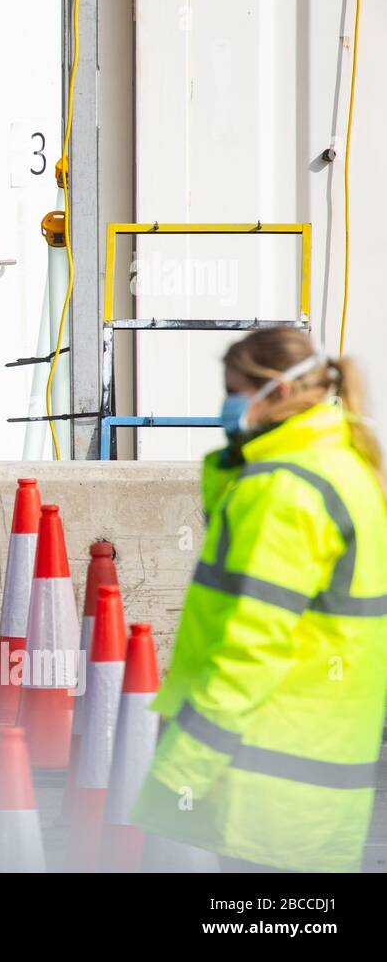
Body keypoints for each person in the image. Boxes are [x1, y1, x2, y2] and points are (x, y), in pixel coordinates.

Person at [130, 327, 387, 872]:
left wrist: (181, 768)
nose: (227, 405)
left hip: (264, 778)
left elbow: (253, 647)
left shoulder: (283, 491)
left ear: (277, 390)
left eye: (234, 389)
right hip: (320, 769)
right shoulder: (342, 467)